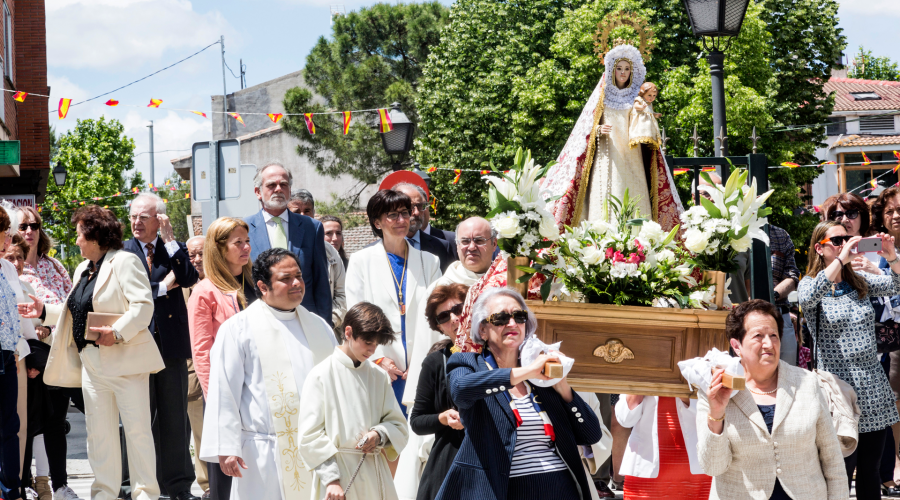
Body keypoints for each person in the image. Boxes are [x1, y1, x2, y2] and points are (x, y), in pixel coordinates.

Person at [19, 205, 164, 500]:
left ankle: (145, 494)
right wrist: (44, 310)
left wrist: (118, 332)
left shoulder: (125, 261)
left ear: (94, 234)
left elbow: (143, 307)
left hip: (125, 363)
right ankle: (104, 494)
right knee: (99, 437)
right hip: (91, 364)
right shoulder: (83, 269)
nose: (76, 241)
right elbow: (76, 313)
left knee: (136, 433)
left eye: (79, 235)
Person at [436, 287, 603, 500]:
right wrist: (524, 372)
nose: (512, 323)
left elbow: (591, 435)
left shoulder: (541, 373)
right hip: (504, 488)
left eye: (519, 316)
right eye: (500, 318)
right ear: (483, 330)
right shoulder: (467, 363)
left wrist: (562, 386)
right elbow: (461, 390)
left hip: (560, 486)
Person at [199, 248, 338, 500]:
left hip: (316, 450)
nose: (296, 283)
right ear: (263, 286)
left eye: (298, 276)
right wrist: (227, 446)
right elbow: (224, 390)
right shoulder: (238, 329)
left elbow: (337, 384)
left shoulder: (319, 326)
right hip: (262, 452)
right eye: (285, 279)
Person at [697, 299, 848, 500]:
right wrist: (716, 414)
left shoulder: (807, 383)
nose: (768, 344)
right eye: (758, 336)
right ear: (737, 345)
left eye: (774, 336)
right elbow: (713, 467)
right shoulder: (716, 388)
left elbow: (832, 459)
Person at [798, 221, 900, 499]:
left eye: (848, 239)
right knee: (840, 471)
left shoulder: (859, 281)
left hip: (871, 387)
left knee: (871, 469)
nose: (845, 244)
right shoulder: (811, 284)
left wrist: (891, 256)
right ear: (820, 248)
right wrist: (843, 258)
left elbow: (895, 284)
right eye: (838, 240)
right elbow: (806, 297)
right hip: (837, 392)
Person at [122, 193, 200, 500]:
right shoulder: (122, 251)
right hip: (136, 345)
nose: (136, 222)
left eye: (144, 217)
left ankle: (178, 486)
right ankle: (135, 485)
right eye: (133, 216)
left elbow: (189, 276)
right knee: (137, 418)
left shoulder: (173, 249)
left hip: (170, 346)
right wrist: (161, 287)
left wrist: (170, 241)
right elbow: (128, 294)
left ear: (160, 220)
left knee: (174, 419)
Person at [345, 189, 442, 417]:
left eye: (405, 213)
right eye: (392, 215)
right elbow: (357, 314)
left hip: (421, 365)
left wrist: (424, 359)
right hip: (381, 365)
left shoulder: (429, 261)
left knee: (419, 440)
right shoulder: (361, 261)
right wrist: (377, 356)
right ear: (377, 222)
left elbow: (438, 315)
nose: (401, 220)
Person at [298, 302, 409, 500]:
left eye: (376, 344)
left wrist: (379, 434)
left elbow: (398, 425)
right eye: (368, 342)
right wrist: (332, 480)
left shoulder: (378, 376)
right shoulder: (321, 375)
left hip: (375, 475)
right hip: (338, 478)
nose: (372, 350)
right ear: (348, 332)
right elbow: (310, 436)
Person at [187, 218, 255, 500]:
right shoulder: (205, 292)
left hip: (256, 389)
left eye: (247, 241)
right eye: (237, 243)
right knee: (224, 477)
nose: (246, 247)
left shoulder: (254, 283)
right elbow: (202, 351)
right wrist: (215, 398)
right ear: (219, 248)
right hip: (223, 393)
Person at [14, 206, 77, 500]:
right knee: (25, 423)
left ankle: (60, 484)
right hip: (26, 355)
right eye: (24, 226)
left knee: (55, 423)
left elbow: (71, 306)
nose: (29, 231)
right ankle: (24, 481)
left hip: (56, 352)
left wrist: (49, 330)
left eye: (34, 225)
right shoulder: (11, 266)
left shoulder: (55, 267)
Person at [3, 233, 58, 500]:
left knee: (26, 426)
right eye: (9, 256)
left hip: (25, 360)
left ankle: (26, 484)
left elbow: (35, 325)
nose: (14, 261)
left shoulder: (25, 285)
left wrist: (37, 350)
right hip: (13, 357)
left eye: (19, 257)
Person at [244, 163, 332, 324]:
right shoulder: (244, 229)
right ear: (258, 192)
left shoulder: (311, 227)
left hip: (305, 320)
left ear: (289, 191)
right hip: (260, 321)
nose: (278, 189)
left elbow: (321, 283)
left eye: (283, 184)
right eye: (271, 185)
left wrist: (325, 324)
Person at [410, 284, 468, 500]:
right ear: (439, 327)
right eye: (443, 316)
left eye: (458, 310)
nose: (454, 318)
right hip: (450, 460)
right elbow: (417, 421)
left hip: (493, 457)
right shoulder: (435, 362)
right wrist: (443, 418)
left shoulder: (496, 354)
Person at [615, 392, 709, 498]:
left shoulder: (696, 375)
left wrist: (684, 394)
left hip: (692, 472)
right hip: (644, 469)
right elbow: (625, 420)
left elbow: (711, 413)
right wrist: (638, 387)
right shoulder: (638, 375)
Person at [869, 186, 900, 493]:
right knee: (892, 404)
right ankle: (893, 469)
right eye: (889, 210)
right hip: (889, 341)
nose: (895, 216)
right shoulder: (872, 251)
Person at [287, 191, 347, 328]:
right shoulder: (282, 247)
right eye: (296, 212)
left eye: (307, 211)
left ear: (314, 213)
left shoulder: (330, 252)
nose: (302, 216)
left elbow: (341, 293)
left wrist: (328, 322)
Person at [183, 234, 209, 498]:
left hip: (217, 366)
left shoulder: (222, 283)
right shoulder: (179, 284)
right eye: (192, 255)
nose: (197, 259)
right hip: (189, 369)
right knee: (199, 431)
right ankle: (206, 484)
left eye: (202, 253)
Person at [0, 204, 23, 500]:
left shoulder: (6, 267)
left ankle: (11, 490)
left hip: (7, 354)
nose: (7, 240)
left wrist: (17, 348)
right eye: (4, 233)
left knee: (10, 425)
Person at [391, 183, 456, 273]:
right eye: (410, 207)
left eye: (420, 206)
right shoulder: (376, 250)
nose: (417, 212)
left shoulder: (442, 246)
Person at [769, 224, 802, 366]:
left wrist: (773, 296)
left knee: (788, 379)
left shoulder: (780, 235)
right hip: (741, 319)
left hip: (780, 316)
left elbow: (792, 275)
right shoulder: (730, 231)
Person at [433, 217, 496, 288]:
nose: (472, 247)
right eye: (465, 241)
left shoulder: (506, 280)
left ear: (494, 244)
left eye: (479, 241)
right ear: (457, 246)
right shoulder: (442, 287)